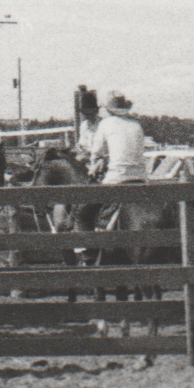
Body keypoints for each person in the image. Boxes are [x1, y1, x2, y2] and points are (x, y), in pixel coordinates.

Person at [75, 91, 148, 264]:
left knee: (82, 213)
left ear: (109, 109)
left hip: (117, 178)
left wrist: (95, 166)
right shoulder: (137, 125)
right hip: (141, 179)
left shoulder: (106, 124)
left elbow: (97, 152)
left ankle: (89, 254)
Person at [73, 90, 102, 170]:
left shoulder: (103, 125)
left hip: (100, 158)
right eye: (86, 113)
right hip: (86, 157)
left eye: (91, 113)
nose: (88, 116)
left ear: (96, 111)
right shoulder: (84, 125)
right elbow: (82, 143)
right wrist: (79, 147)